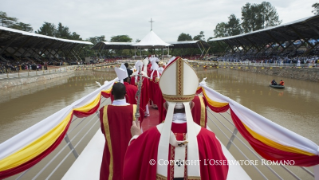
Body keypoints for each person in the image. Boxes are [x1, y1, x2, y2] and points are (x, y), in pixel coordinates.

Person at [123, 57, 228, 180]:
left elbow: (131, 167)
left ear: (165, 106)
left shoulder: (149, 136)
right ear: (192, 105)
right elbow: (221, 171)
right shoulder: (208, 138)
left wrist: (135, 136)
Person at [99, 83, 137, 180]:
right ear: (125, 93)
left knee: (111, 170)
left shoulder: (104, 111)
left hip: (112, 148)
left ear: (112, 94)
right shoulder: (134, 109)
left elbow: (103, 130)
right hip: (130, 147)